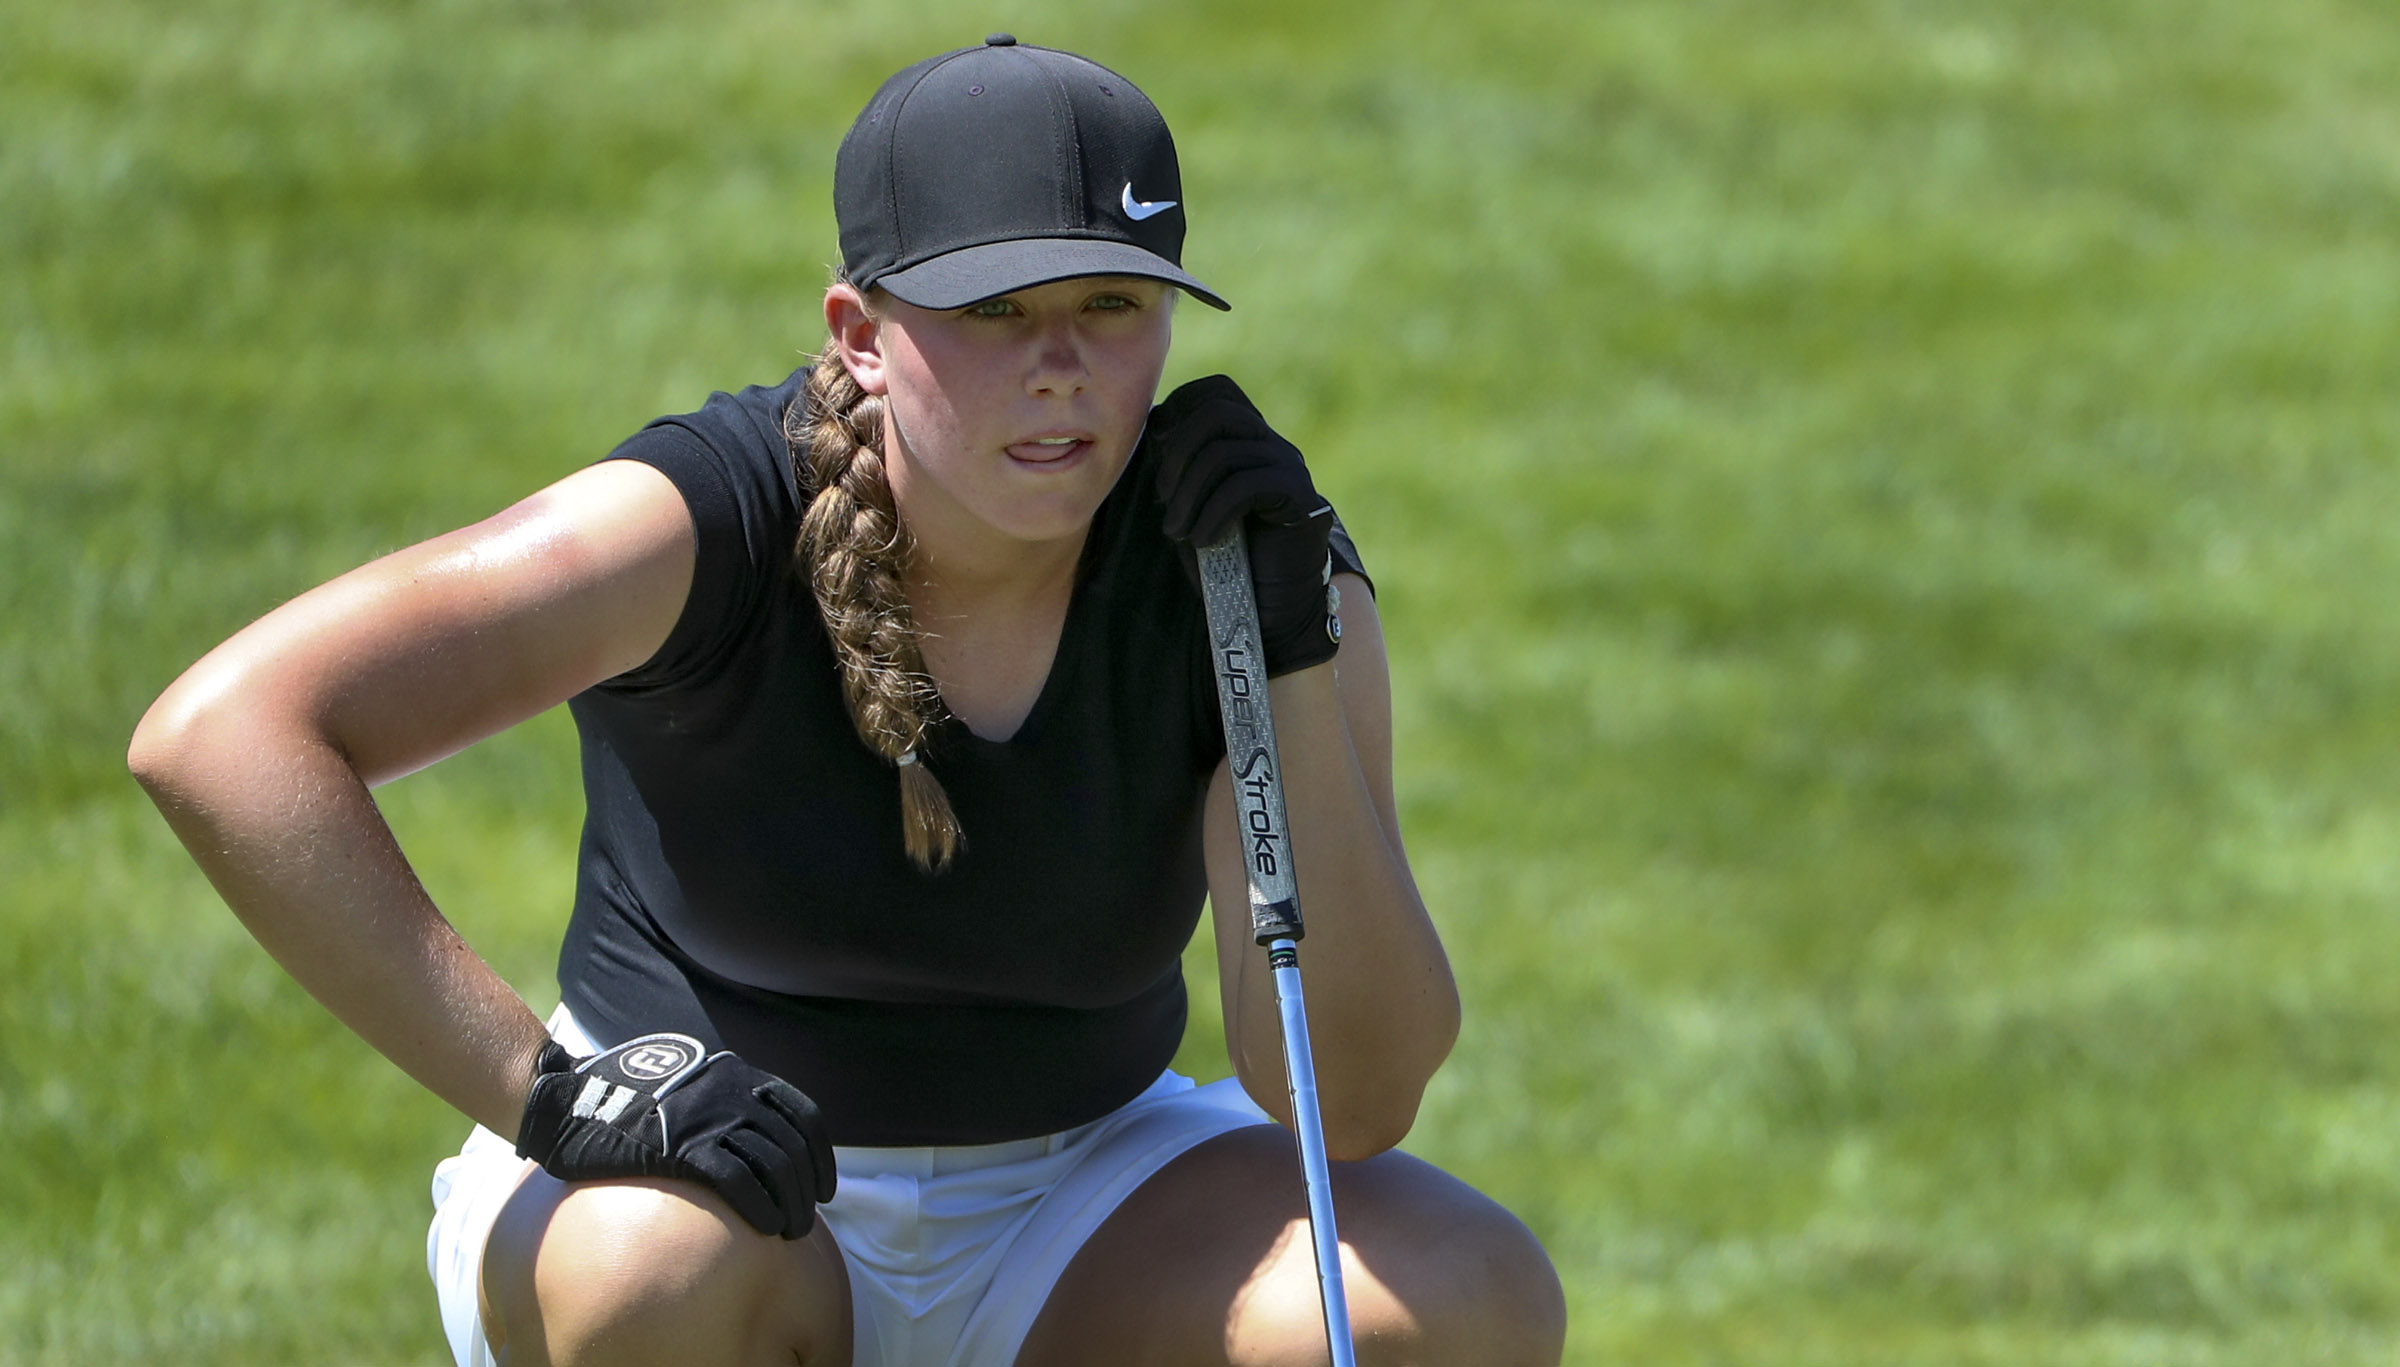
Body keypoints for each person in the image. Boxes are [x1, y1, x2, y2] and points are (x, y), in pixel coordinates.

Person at [128, 34, 1566, 1367]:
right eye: (993, 310)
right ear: (861, 329)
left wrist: (1290, 662)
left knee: (1460, 1295)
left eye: (1112, 305)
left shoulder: (1245, 565)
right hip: (698, 1188)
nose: (1059, 367)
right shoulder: (699, 520)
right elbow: (225, 734)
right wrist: (548, 1092)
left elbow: (1356, 1102)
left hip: (1080, 1193)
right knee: (659, 1273)